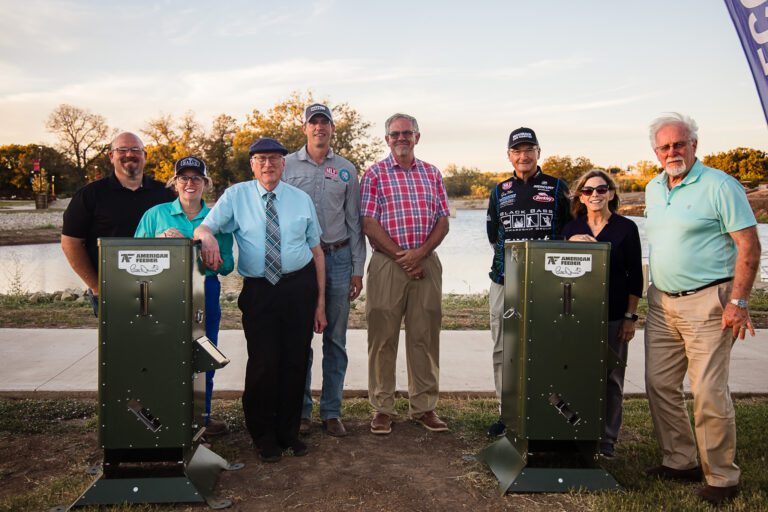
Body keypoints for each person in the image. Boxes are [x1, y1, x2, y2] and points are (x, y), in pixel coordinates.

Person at [643, 113, 760, 505]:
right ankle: (680, 460)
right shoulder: (653, 189)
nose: (672, 151)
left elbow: (749, 245)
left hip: (710, 303)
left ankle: (722, 478)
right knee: (660, 385)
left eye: (679, 144)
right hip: (661, 302)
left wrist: (739, 302)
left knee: (708, 392)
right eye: (665, 146)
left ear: (694, 145)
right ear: (656, 152)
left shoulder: (720, 186)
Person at [193, 138, 327, 463]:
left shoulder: (300, 199)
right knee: (264, 364)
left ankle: (288, 432)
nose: (268, 164)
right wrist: (207, 235)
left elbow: (316, 250)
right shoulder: (236, 196)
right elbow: (203, 227)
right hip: (260, 291)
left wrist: (320, 302)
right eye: (261, 159)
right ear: (252, 164)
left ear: (284, 164)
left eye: (274, 159)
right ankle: (263, 435)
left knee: (296, 362)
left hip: (299, 288)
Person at [361, 113, 450, 435]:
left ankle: (424, 406)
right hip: (387, 264)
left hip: (426, 262)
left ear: (417, 137)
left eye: (407, 133)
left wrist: (420, 254)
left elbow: (443, 220)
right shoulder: (374, 174)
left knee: (424, 336)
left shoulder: (431, 173)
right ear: (387, 139)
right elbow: (368, 222)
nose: (401, 138)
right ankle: (382, 407)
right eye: (395, 134)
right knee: (382, 338)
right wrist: (402, 256)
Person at [134, 156, 235, 437]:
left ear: (205, 183)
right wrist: (160, 242)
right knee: (164, 354)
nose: (190, 183)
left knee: (204, 352)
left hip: (205, 290)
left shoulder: (217, 218)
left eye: (196, 178)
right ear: (174, 182)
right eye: (184, 178)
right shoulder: (155, 215)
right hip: (164, 293)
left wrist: (205, 253)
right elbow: (134, 258)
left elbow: (227, 265)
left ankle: (202, 417)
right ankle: (164, 415)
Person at [283, 103, 365, 438]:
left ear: (333, 129)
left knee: (335, 338)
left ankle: (332, 411)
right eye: (313, 122)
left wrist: (358, 268)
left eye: (325, 123)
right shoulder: (286, 165)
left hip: (339, 256)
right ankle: (301, 411)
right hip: (301, 262)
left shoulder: (346, 169)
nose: (319, 128)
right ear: (304, 128)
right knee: (301, 337)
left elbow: (355, 222)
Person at [485, 127, 571, 437]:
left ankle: (547, 410)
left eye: (529, 149)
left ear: (538, 152)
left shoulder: (557, 186)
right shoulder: (500, 190)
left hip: (546, 283)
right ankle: (506, 413)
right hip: (504, 280)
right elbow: (493, 233)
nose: (523, 155)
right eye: (517, 150)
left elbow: (569, 230)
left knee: (547, 348)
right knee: (503, 349)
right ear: (509, 155)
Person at [562, 169, 643, 458]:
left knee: (611, 378)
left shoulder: (626, 228)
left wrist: (630, 318)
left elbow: (636, 277)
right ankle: (576, 433)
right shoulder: (570, 230)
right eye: (588, 190)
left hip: (613, 316)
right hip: (577, 317)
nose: (594, 195)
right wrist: (568, 246)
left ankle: (607, 440)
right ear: (580, 197)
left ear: (611, 193)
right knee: (577, 375)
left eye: (601, 189)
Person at [61, 132, 175, 316]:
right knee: (117, 343)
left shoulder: (166, 194)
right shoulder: (89, 195)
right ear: (111, 156)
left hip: (161, 290)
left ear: (144, 156)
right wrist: (96, 287)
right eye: (122, 149)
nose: (129, 154)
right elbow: (70, 243)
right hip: (110, 291)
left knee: (160, 341)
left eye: (136, 149)